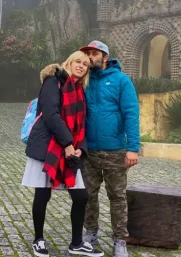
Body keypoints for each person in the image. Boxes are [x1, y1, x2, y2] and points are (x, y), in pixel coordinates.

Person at [23, 51, 104, 257]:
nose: (81, 66)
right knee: (43, 194)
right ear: (69, 62)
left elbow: (81, 124)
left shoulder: (79, 90)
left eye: (85, 64)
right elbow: (51, 115)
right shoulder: (53, 81)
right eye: (78, 61)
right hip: (48, 146)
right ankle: (38, 240)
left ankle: (76, 243)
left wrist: (79, 148)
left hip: (70, 150)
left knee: (81, 196)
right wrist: (67, 143)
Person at [80, 40, 140, 257]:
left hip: (115, 150)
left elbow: (131, 113)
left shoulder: (121, 80)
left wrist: (133, 148)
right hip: (88, 151)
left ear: (105, 57)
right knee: (88, 195)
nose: (90, 57)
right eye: (88, 53)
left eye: (94, 53)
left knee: (117, 196)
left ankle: (119, 240)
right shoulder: (84, 80)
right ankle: (90, 234)